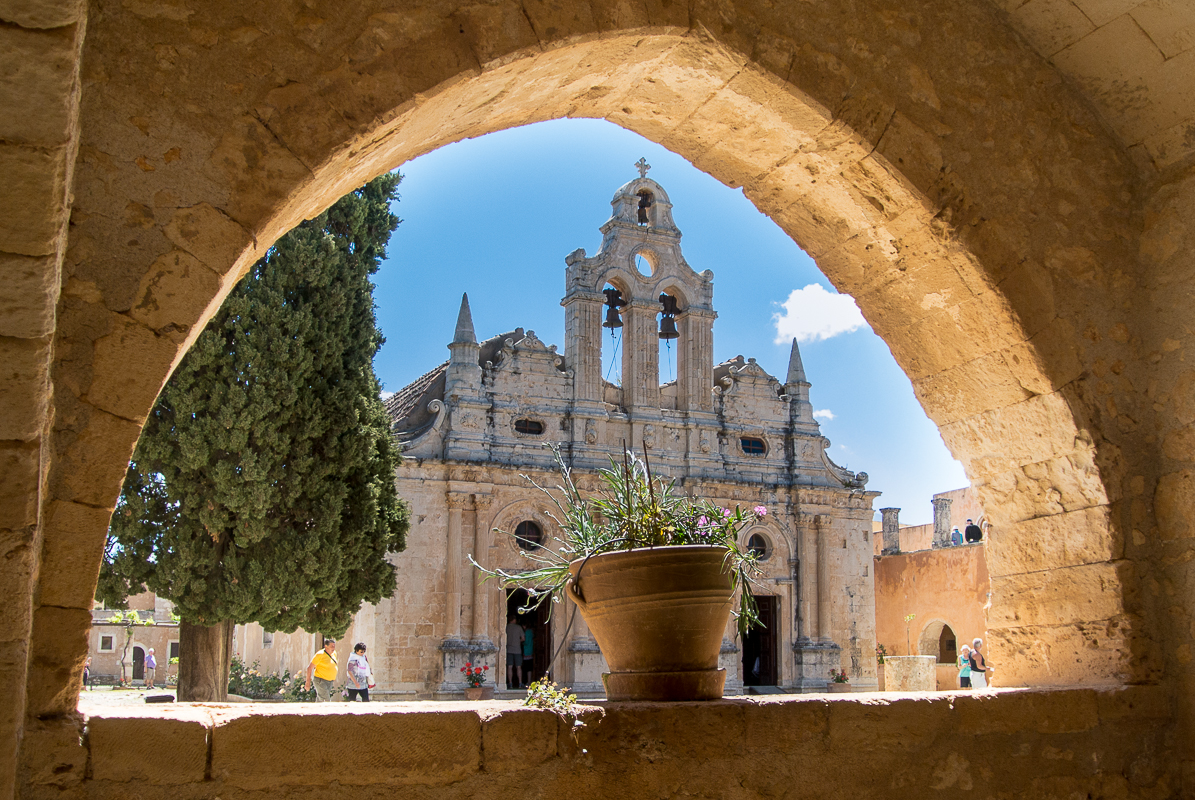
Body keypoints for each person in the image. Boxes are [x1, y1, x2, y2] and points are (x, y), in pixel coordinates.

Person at [505, 615, 524, 689]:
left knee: (509, 667)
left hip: (509, 649)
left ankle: (510, 683)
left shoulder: (506, 627)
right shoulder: (518, 627)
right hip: (517, 650)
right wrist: (517, 641)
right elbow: (523, 638)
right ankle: (520, 683)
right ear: (514, 619)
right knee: (518, 667)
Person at [521, 624, 535, 688]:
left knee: (526, 668)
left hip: (526, 652)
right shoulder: (532, 632)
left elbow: (525, 642)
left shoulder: (526, 632)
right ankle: (529, 681)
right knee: (530, 668)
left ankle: (527, 682)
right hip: (531, 651)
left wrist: (520, 642)